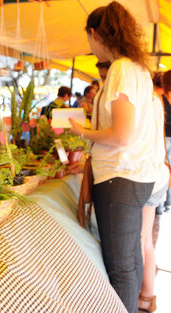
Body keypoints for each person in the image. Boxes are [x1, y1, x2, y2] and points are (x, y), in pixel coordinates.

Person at [69, 2, 159, 312]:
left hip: (121, 177)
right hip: (137, 177)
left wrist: (83, 132)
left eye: (89, 39)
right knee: (130, 258)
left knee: (120, 268)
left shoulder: (120, 68)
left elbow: (121, 135)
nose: (91, 47)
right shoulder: (138, 69)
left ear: (94, 34)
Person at [137, 74, 169, 313]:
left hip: (150, 176)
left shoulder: (151, 101)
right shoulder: (157, 101)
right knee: (146, 239)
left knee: (142, 239)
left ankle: (145, 296)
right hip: (160, 175)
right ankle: (148, 296)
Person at [161, 70, 171, 213]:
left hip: (163, 138)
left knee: (163, 169)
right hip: (164, 138)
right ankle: (166, 202)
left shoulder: (160, 99)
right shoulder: (160, 99)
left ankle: (163, 204)